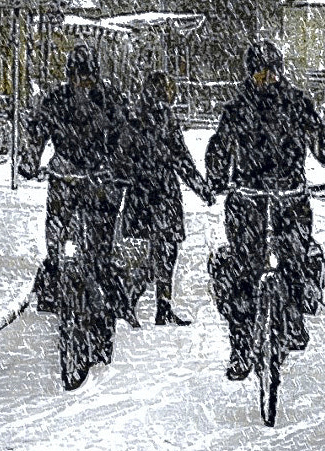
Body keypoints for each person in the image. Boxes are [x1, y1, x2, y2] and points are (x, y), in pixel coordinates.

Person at [205, 40, 325, 379]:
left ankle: (293, 317)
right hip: (247, 200)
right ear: (251, 74)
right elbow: (218, 149)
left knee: (296, 258)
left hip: (290, 198)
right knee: (239, 270)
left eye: (274, 69)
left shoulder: (295, 104)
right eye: (263, 71)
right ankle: (240, 343)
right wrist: (217, 180)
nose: (270, 77)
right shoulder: (237, 109)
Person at [18, 45, 131, 319]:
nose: (83, 84)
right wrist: (30, 161)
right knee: (56, 228)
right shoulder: (56, 100)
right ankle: (54, 274)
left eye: (88, 77)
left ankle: (105, 284)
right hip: (65, 174)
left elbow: (124, 135)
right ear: (70, 75)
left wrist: (120, 165)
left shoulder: (109, 100)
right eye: (78, 77)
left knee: (102, 238)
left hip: (98, 176)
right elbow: (37, 133)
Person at [118, 71, 215, 326]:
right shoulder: (143, 118)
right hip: (154, 192)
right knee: (155, 255)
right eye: (167, 91)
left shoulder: (151, 118)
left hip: (152, 193)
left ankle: (155, 306)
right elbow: (179, 158)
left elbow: (179, 157)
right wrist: (200, 187)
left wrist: (201, 187)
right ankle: (134, 302)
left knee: (162, 252)